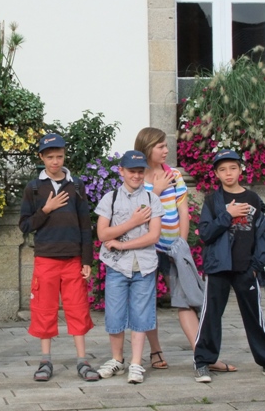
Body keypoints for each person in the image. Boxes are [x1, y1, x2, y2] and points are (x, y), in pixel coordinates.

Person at [134, 127, 236, 373]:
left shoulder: (175, 175)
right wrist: (156, 191)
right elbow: (136, 213)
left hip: (173, 248)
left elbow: (183, 211)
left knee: (187, 301)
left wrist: (181, 244)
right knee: (147, 301)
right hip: (146, 248)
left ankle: (203, 355)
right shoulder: (135, 176)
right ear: (147, 148)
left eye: (165, 145)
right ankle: (156, 351)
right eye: (161, 146)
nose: (166, 150)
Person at [193, 149, 265, 383]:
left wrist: (256, 266)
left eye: (232, 168)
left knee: (254, 316)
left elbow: (262, 234)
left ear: (240, 169)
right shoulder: (213, 201)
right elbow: (206, 234)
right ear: (216, 174)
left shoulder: (253, 199)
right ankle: (203, 362)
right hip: (218, 268)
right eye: (222, 170)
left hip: (246, 268)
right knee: (211, 316)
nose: (228, 173)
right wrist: (227, 215)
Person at [19, 133, 99, 382]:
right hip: (46, 258)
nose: (55, 161)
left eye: (59, 156)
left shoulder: (76, 186)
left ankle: (82, 360)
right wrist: (46, 209)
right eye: (50, 157)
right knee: (44, 309)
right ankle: (45, 360)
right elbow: (25, 225)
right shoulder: (34, 188)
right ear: (41, 157)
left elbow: (85, 225)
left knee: (78, 308)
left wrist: (87, 260)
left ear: (65, 156)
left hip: (73, 259)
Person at [94, 150, 163, 384]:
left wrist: (123, 244)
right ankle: (117, 359)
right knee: (114, 313)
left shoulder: (152, 199)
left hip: (144, 266)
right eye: (132, 171)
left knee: (141, 314)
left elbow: (153, 236)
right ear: (121, 171)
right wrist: (133, 222)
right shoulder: (110, 198)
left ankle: (136, 362)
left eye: (140, 171)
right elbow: (103, 233)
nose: (136, 175)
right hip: (116, 266)